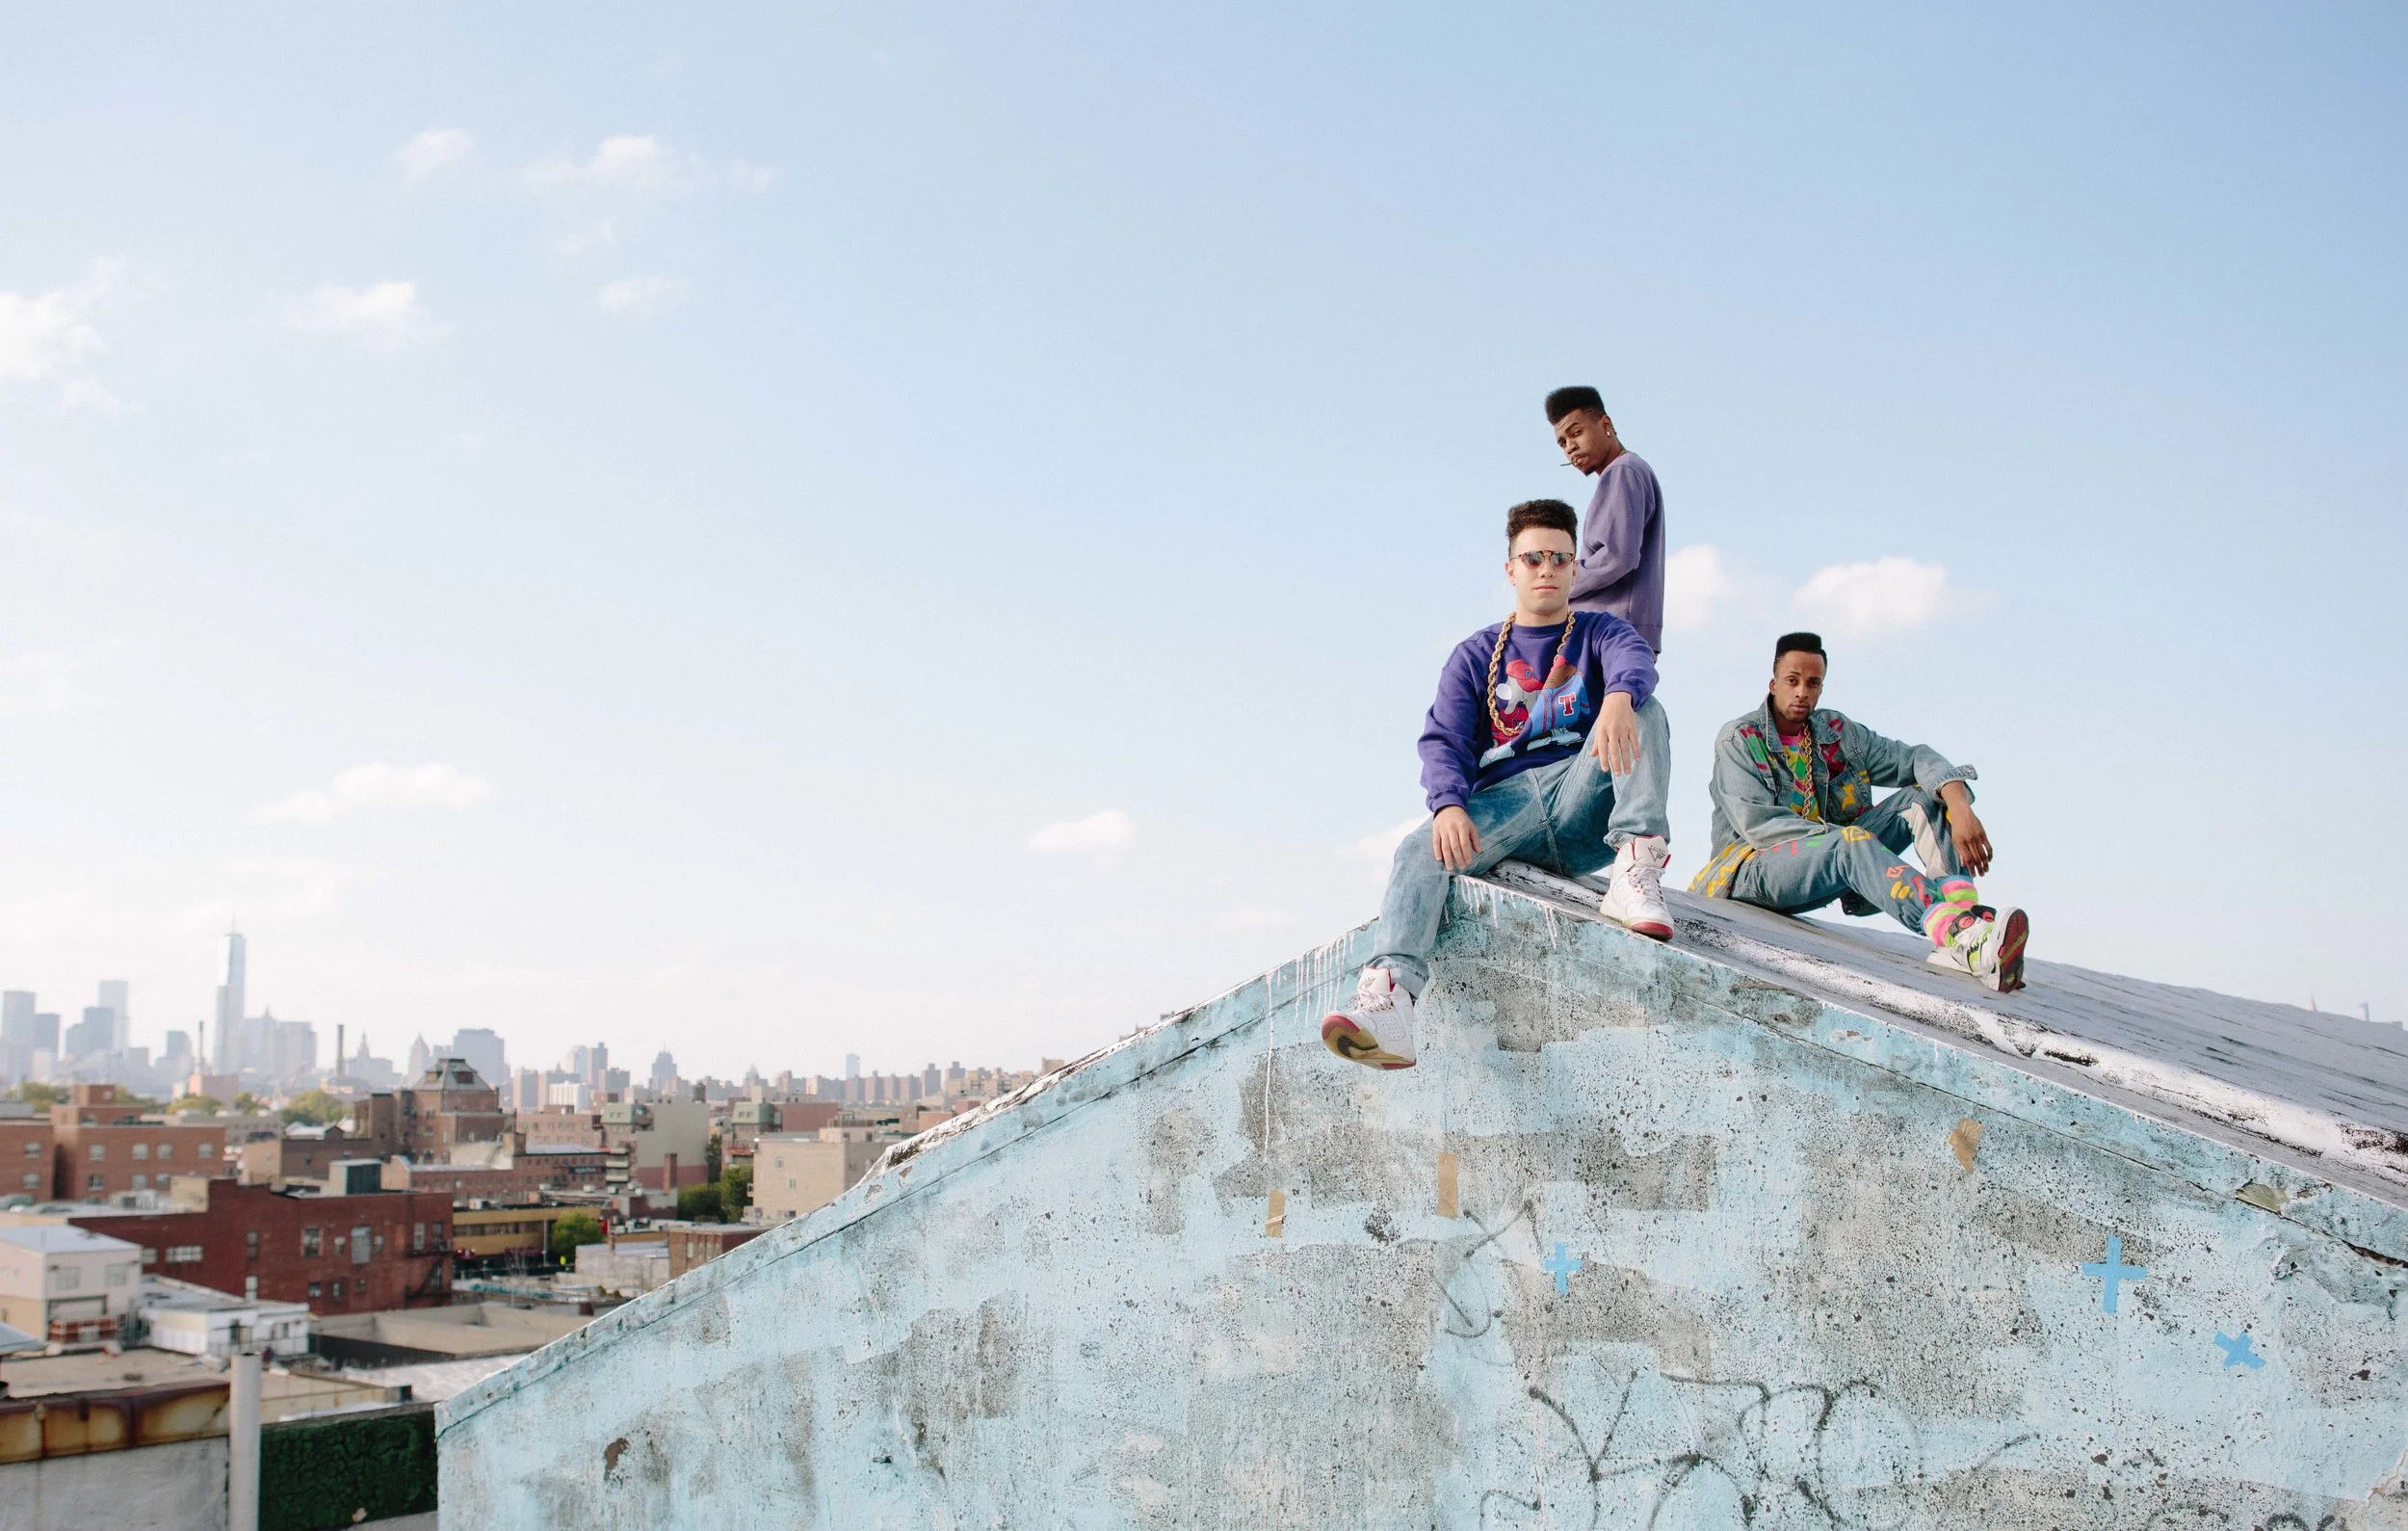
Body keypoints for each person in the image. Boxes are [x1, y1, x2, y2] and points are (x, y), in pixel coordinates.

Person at [1322, 499, 1662, 1070]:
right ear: (1511, 569)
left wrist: (1620, 696)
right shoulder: (1477, 654)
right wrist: (1448, 804)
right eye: (1533, 559)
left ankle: (1637, 865)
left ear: (1576, 568)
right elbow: (1444, 739)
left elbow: (1635, 660)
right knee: (1418, 848)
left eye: (1559, 558)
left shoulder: (1601, 632)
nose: (1546, 569)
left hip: (1581, 793)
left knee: (1645, 709)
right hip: (1506, 806)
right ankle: (1392, 1006)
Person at [1689, 632, 2028, 992]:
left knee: (1926, 797)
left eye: (1813, 683)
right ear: (1774, 684)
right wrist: (1854, 845)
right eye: (1792, 681)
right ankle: (1958, 934)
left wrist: (1960, 807)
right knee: (1852, 841)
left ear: (1821, 688)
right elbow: (1760, 827)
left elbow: (1915, 758)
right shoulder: (1739, 738)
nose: (1802, 692)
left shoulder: (1836, 732)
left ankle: (1965, 927)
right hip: (1750, 871)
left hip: (1831, 855)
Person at [1544, 385, 1674, 937]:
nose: (1570, 447)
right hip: (1606, 637)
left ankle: (1635, 854)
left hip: (1614, 637)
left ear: (1606, 424)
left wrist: (1560, 585)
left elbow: (1618, 557)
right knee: (1591, 739)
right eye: (1561, 442)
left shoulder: (1623, 473)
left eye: (1576, 432)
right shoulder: (1621, 478)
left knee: (1626, 720)